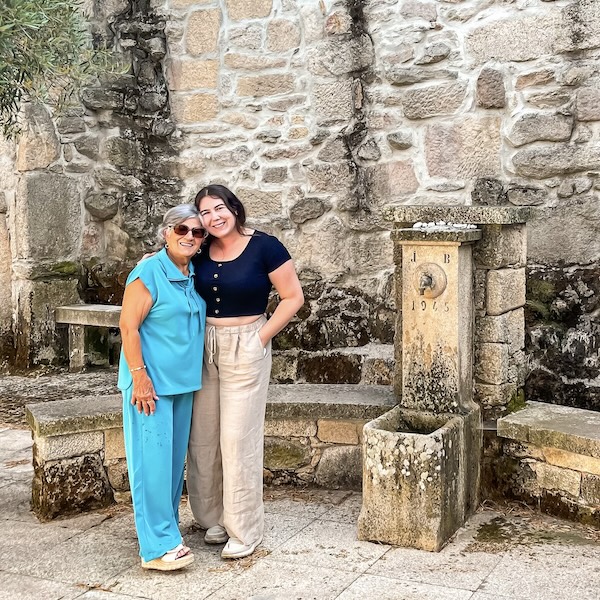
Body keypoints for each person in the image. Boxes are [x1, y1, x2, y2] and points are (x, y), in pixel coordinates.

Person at [186, 184, 304, 559]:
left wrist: (260, 338)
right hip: (204, 346)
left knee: (238, 439)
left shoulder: (265, 246)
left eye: (219, 208)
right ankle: (212, 519)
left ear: (234, 209)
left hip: (247, 342)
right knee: (203, 436)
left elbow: (293, 297)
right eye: (205, 213)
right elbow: (168, 263)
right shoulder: (200, 247)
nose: (213, 218)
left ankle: (244, 529)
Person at [118, 204, 207, 571]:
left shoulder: (190, 272)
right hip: (149, 386)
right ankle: (155, 549)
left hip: (183, 385)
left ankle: (167, 533)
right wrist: (139, 376)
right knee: (150, 465)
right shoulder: (148, 271)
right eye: (181, 229)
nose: (189, 236)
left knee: (171, 468)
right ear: (166, 232)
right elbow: (128, 327)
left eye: (197, 232)